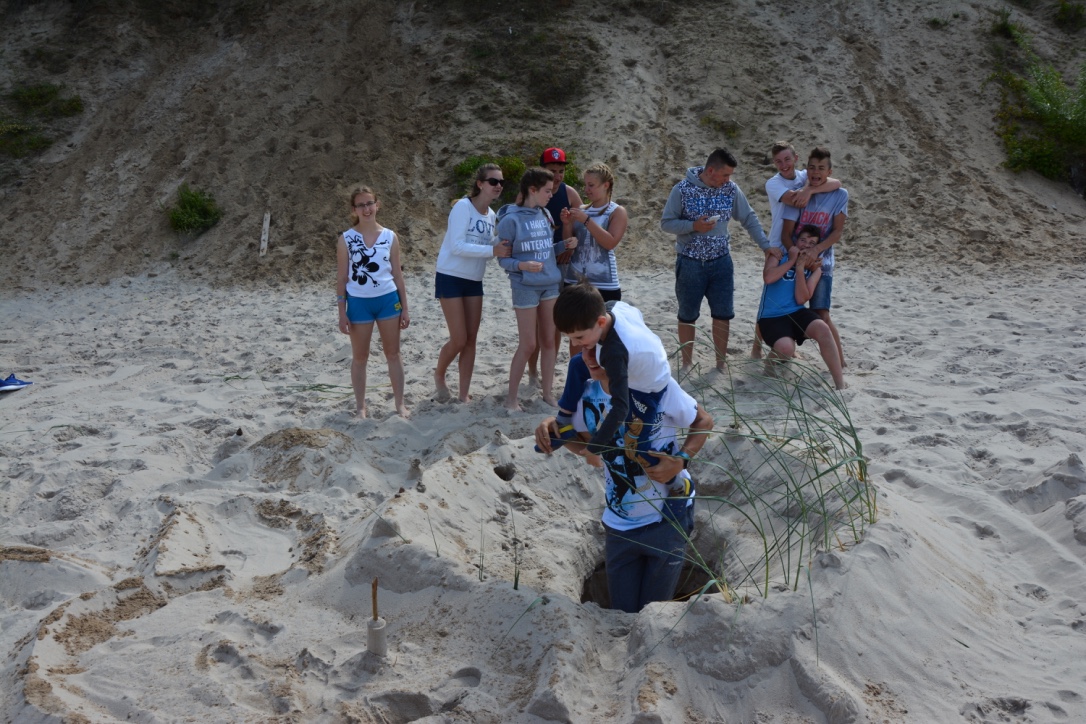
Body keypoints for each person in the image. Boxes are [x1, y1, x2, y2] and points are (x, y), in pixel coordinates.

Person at [535, 349, 714, 613]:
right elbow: (585, 445)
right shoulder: (585, 394)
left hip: (669, 513)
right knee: (622, 613)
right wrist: (552, 427)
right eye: (583, 347)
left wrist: (681, 460)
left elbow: (703, 420)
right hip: (619, 522)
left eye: (599, 348)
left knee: (655, 613)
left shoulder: (657, 386)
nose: (590, 356)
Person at [660, 148, 775, 373]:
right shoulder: (682, 189)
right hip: (690, 262)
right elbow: (666, 223)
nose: (728, 179)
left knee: (723, 314)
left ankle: (721, 364)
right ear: (711, 170)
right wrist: (693, 226)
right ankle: (686, 363)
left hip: (721, 262)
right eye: (725, 175)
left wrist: (766, 246)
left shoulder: (731, 189)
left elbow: (749, 218)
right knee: (687, 315)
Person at [552, 280, 670, 468]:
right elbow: (634, 312)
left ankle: (676, 481)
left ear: (600, 322)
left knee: (636, 448)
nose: (574, 344)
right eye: (570, 338)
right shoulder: (613, 307)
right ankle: (563, 418)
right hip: (640, 353)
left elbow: (620, 407)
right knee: (577, 363)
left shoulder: (614, 353)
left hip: (649, 386)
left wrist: (595, 447)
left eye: (579, 337)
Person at [497, 167, 578, 411]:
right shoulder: (510, 220)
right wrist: (522, 265)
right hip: (525, 286)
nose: (551, 195)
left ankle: (548, 394)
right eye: (547, 191)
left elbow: (545, 252)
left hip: (550, 284)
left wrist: (564, 245)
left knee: (549, 341)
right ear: (532, 190)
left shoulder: (545, 214)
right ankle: (511, 399)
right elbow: (503, 260)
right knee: (528, 344)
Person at [753, 141, 841, 358]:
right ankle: (757, 348)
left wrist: (809, 188)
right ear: (774, 163)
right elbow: (795, 200)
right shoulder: (773, 183)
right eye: (778, 161)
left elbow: (836, 183)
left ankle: (789, 344)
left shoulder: (804, 176)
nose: (784, 165)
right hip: (779, 246)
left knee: (797, 302)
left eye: (787, 159)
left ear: (796, 158)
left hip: (802, 245)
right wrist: (809, 189)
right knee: (771, 302)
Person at [433, 163, 512, 403]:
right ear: (480, 183)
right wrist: (492, 250)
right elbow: (457, 246)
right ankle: (439, 375)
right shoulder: (463, 207)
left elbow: (487, 248)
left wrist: (501, 245)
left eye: (501, 182)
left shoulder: (492, 215)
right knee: (458, 338)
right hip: (450, 276)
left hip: (474, 280)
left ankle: (463, 394)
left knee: (471, 339)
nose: (498, 186)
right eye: (493, 181)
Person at [336, 187, 411, 418]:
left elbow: (397, 274)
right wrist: (341, 312)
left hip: (388, 300)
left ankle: (399, 404)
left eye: (370, 203)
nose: (366, 209)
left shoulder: (390, 236)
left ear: (377, 205)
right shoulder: (346, 239)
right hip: (359, 303)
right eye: (361, 205)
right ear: (354, 210)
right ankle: (361, 407)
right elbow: (342, 278)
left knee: (393, 354)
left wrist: (405, 308)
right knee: (360, 357)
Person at [779, 147, 848, 368]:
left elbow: (837, 231)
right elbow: (786, 233)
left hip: (822, 263)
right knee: (784, 310)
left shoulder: (840, 195)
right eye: (811, 167)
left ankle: (840, 362)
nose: (816, 172)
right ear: (806, 169)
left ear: (829, 171)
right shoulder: (798, 194)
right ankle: (780, 353)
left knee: (821, 313)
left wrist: (816, 250)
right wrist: (797, 256)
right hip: (796, 261)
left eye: (821, 168)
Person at [756, 224, 845, 389]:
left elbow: (801, 299)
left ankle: (840, 384)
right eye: (803, 240)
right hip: (771, 316)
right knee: (786, 349)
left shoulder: (815, 270)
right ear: (796, 241)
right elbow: (768, 278)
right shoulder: (778, 255)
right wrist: (792, 261)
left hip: (796, 311)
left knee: (823, 328)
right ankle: (770, 363)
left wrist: (800, 268)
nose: (806, 245)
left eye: (812, 243)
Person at [528, 147, 582, 385]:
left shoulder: (570, 194)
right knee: (536, 324)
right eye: (552, 171)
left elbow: (583, 228)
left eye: (561, 171)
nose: (558, 176)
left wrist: (571, 246)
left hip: (563, 267)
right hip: (537, 266)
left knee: (556, 322)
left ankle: (547, 371)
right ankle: (532, 371)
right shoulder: (530, 196)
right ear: (542, 170)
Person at [560, 161, 628, 339]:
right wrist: (566, 224)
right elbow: (569, 244)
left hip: (605, 283)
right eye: (585, 185)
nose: (586, 190)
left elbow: (610, 243)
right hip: (574, 280)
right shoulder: (582, 210)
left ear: (606, 185)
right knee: (576, 333)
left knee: (604, 335)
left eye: (591, 185)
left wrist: (586, 220)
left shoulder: (616, 211)